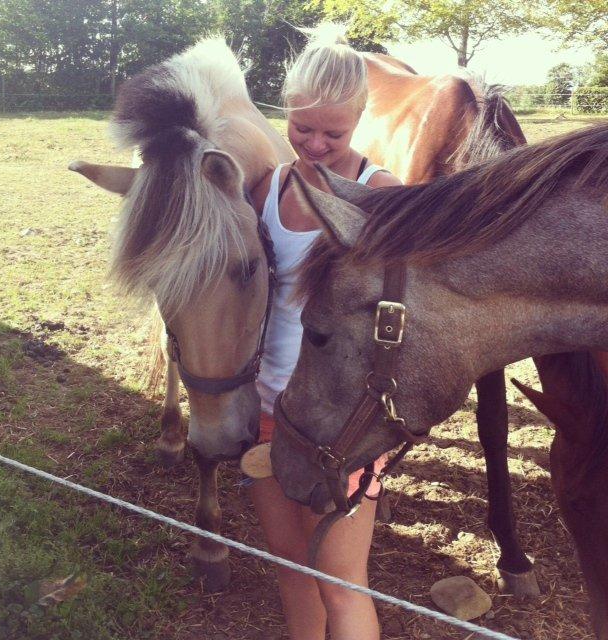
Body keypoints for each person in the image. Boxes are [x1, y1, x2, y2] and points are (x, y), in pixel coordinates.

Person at [247, 23, 402, 640]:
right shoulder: (267, 188)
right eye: (300, 127)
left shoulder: (381, 196)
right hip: (267, 405)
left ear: (361, 118)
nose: (314, 143)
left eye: (333, 132)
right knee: (291, 573)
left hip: (344, 420)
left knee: (342, 584)